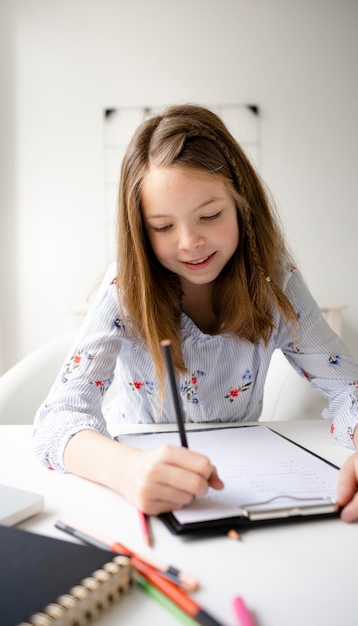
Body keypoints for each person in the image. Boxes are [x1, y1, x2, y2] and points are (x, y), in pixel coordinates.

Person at [33, 104, 358, 522]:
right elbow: (57, 420)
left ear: (243, 205)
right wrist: (127, 471)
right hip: (143, 490)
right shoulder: (127, 289)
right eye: (163, 227)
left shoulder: (275, 281)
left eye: (210, 216)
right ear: (139, 229)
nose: (190, 242)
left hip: (239, 489)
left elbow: (348, 388)